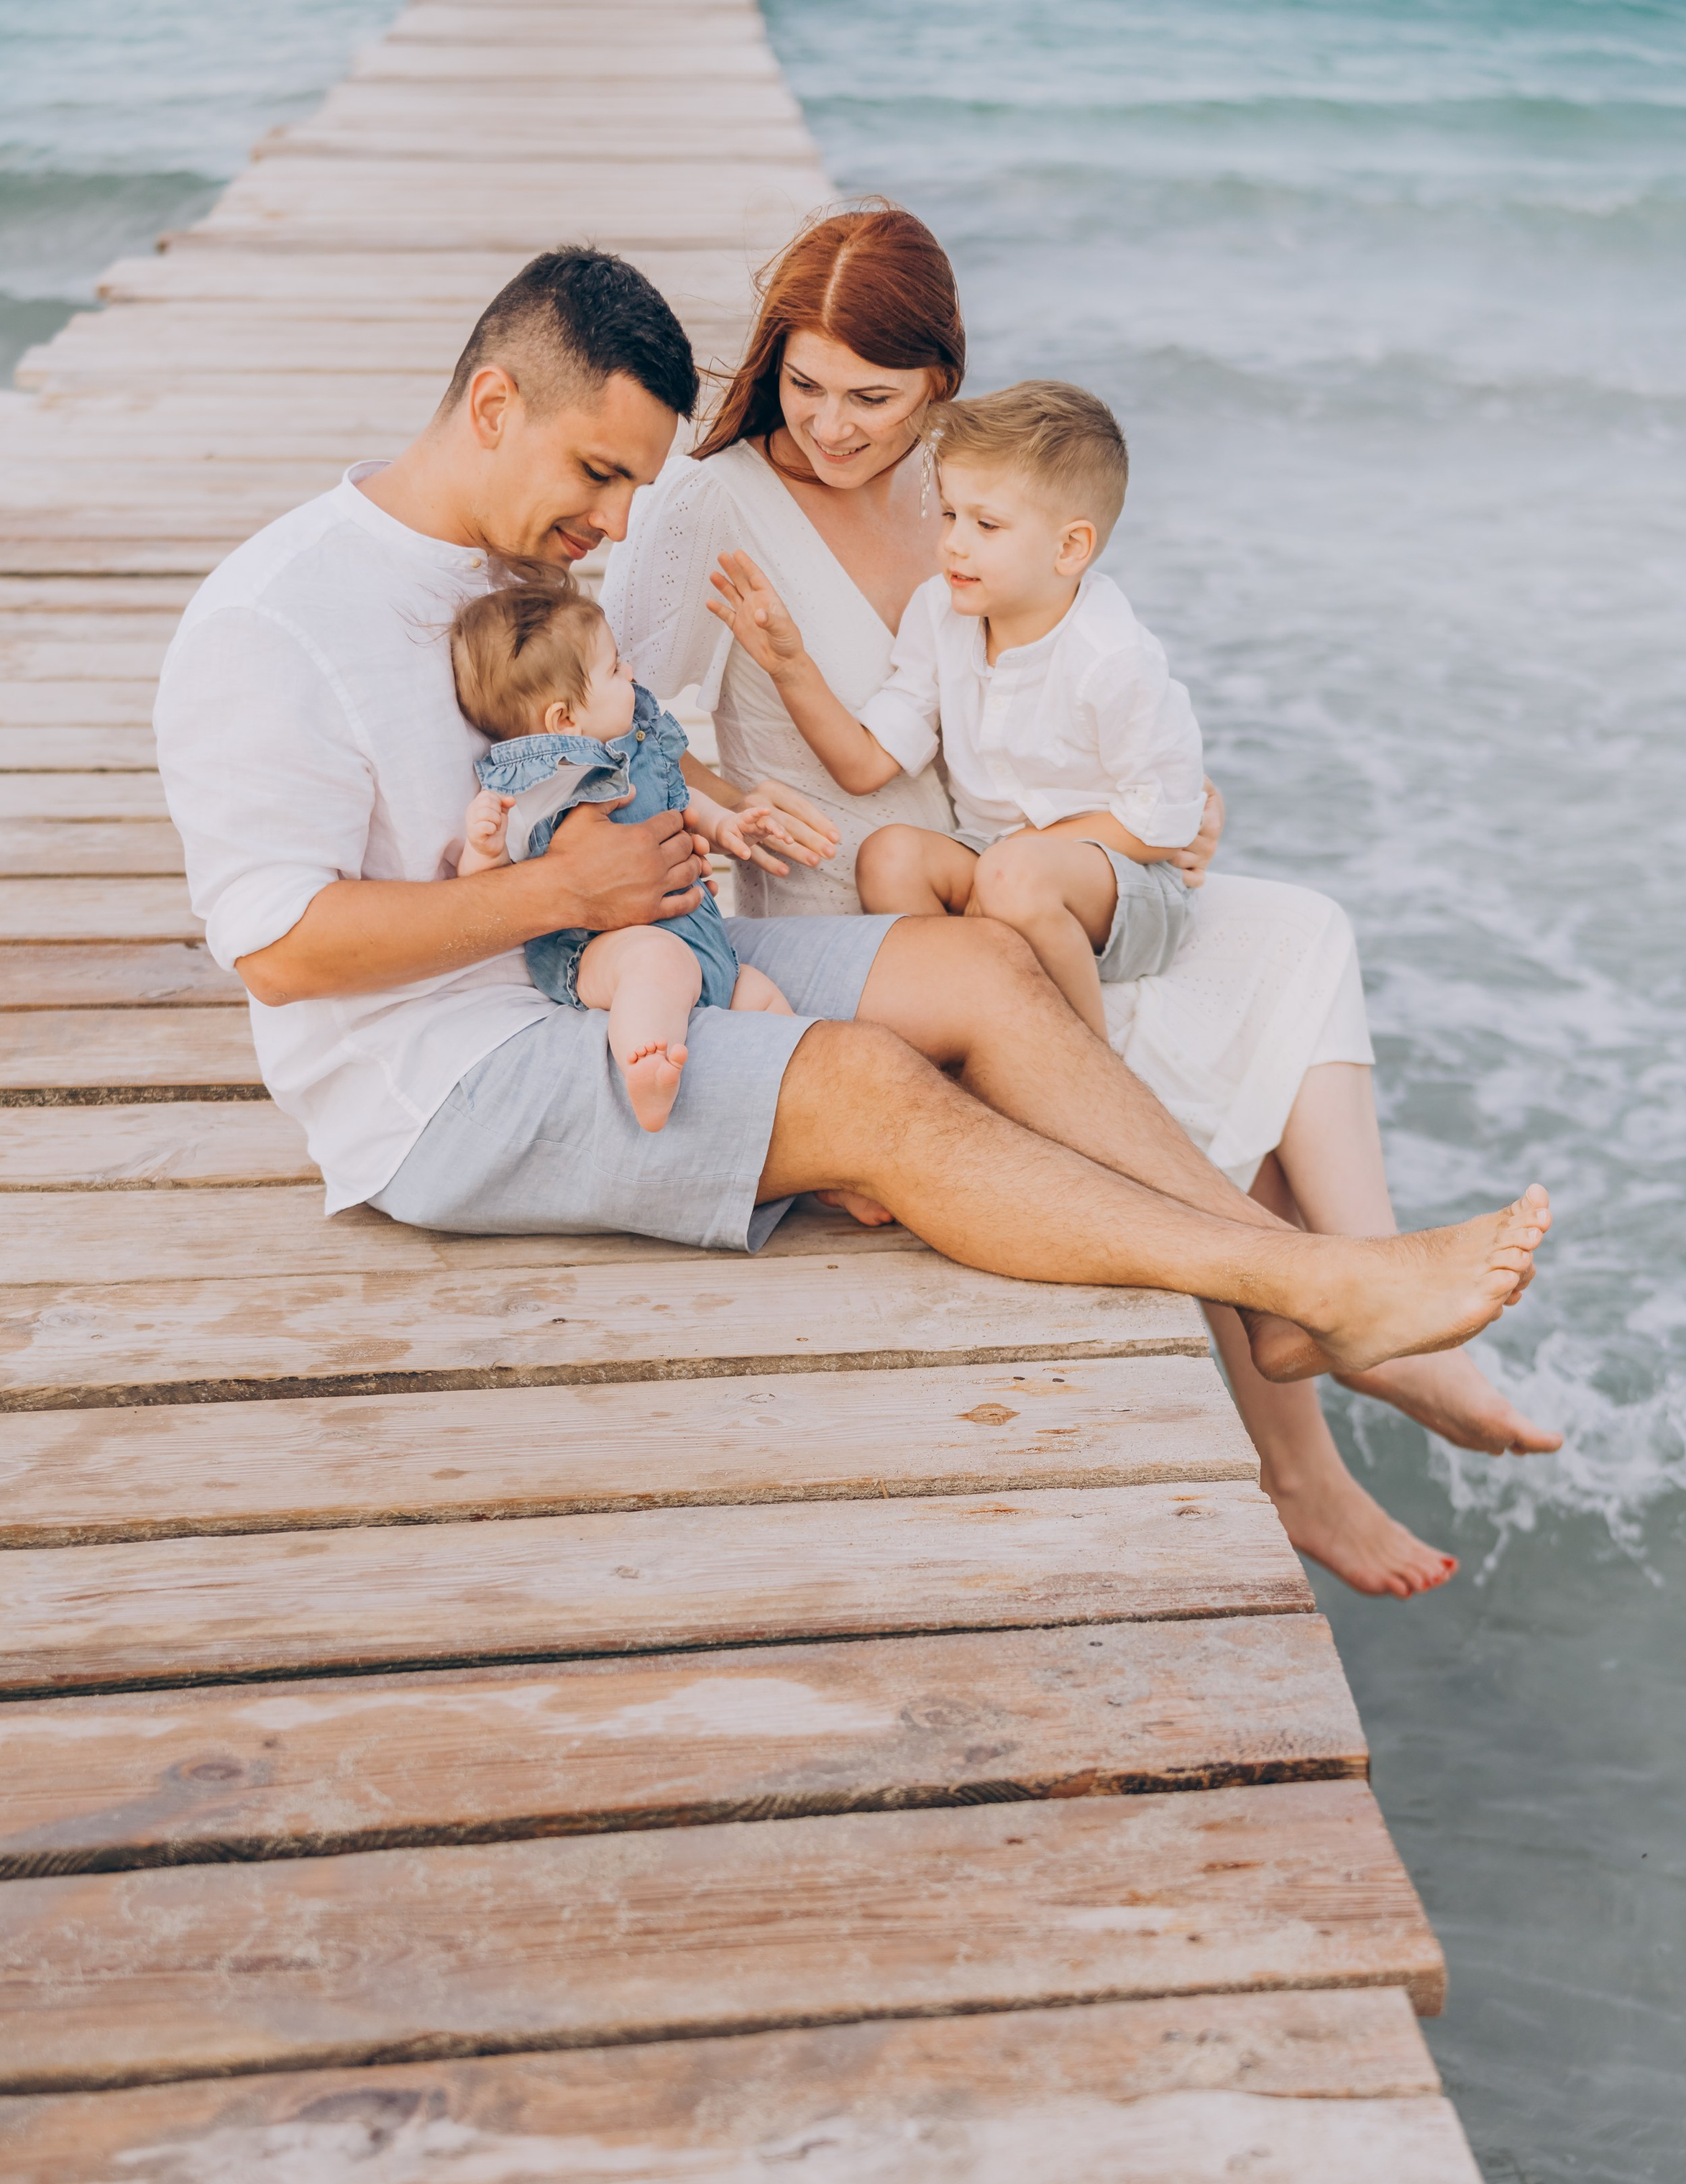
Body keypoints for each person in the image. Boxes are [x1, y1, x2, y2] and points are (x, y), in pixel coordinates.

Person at [152, 242, 1551, 1435]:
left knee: (979, 973)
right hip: (443, 1085)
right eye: (597, 475)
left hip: (629, 950)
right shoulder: (274, 620)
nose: (618, 525)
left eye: (638, 487)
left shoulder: (526, 558)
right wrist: (558, 891)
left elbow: (640, 739)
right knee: (870, 1085)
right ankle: (1319, 1285)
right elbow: (275, 951)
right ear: (492, 403)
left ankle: (1280, 1293)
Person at [607, 201, 1563, 1600]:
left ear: (940, 379)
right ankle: (1345, 1371)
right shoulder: (717, 505)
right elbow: (624, 719)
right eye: (801, 384)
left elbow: (1062, 666)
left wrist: (1150, 813)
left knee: (1290, 937)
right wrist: (720, 799)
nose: (829, 425)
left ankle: (1348, 1321)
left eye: (871, 397)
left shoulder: (956, 479)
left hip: (1001, 872)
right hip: (847, 921)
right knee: (1179, 1074)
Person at [710, 379, 1206, 1044]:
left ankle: (1085, 1064)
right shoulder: (940, 615)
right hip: (995, 863)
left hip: (1126, 889)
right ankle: (971, 1020)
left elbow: (1166, 821)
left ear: (1070, 549)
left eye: (986, 525)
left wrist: (1025, 857)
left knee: (1013, 874)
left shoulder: (1112, 656)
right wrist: (789, 666)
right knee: (888, 858)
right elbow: (865, 764)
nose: (954, 545)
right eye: (948, 515)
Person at [450, 569, 792, 1133]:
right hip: (599, 954)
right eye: (614, 669)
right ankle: (646, 1063)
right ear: (565, 720)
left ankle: (791, 1111)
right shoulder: (539, 781)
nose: (630, 673)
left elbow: (683, 801)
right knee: (655, 964)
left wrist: (726, 823)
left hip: (704, 944)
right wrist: (483, 847)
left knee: (761, 996)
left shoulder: (640, 742)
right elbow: (482, 888)